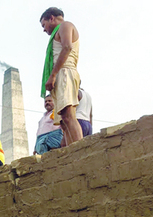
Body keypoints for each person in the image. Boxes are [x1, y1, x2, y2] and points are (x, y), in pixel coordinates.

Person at [40, 7, 84, 147]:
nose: (44, 29)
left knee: (69, 114)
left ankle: (80, 149)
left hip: (65, 71)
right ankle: (72, 150)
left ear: (51, 18)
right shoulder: (57, 32)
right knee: (63, 120)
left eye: (44, 25)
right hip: (59, 74)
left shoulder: (66, 25)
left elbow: (67, 48)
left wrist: (52, 75)